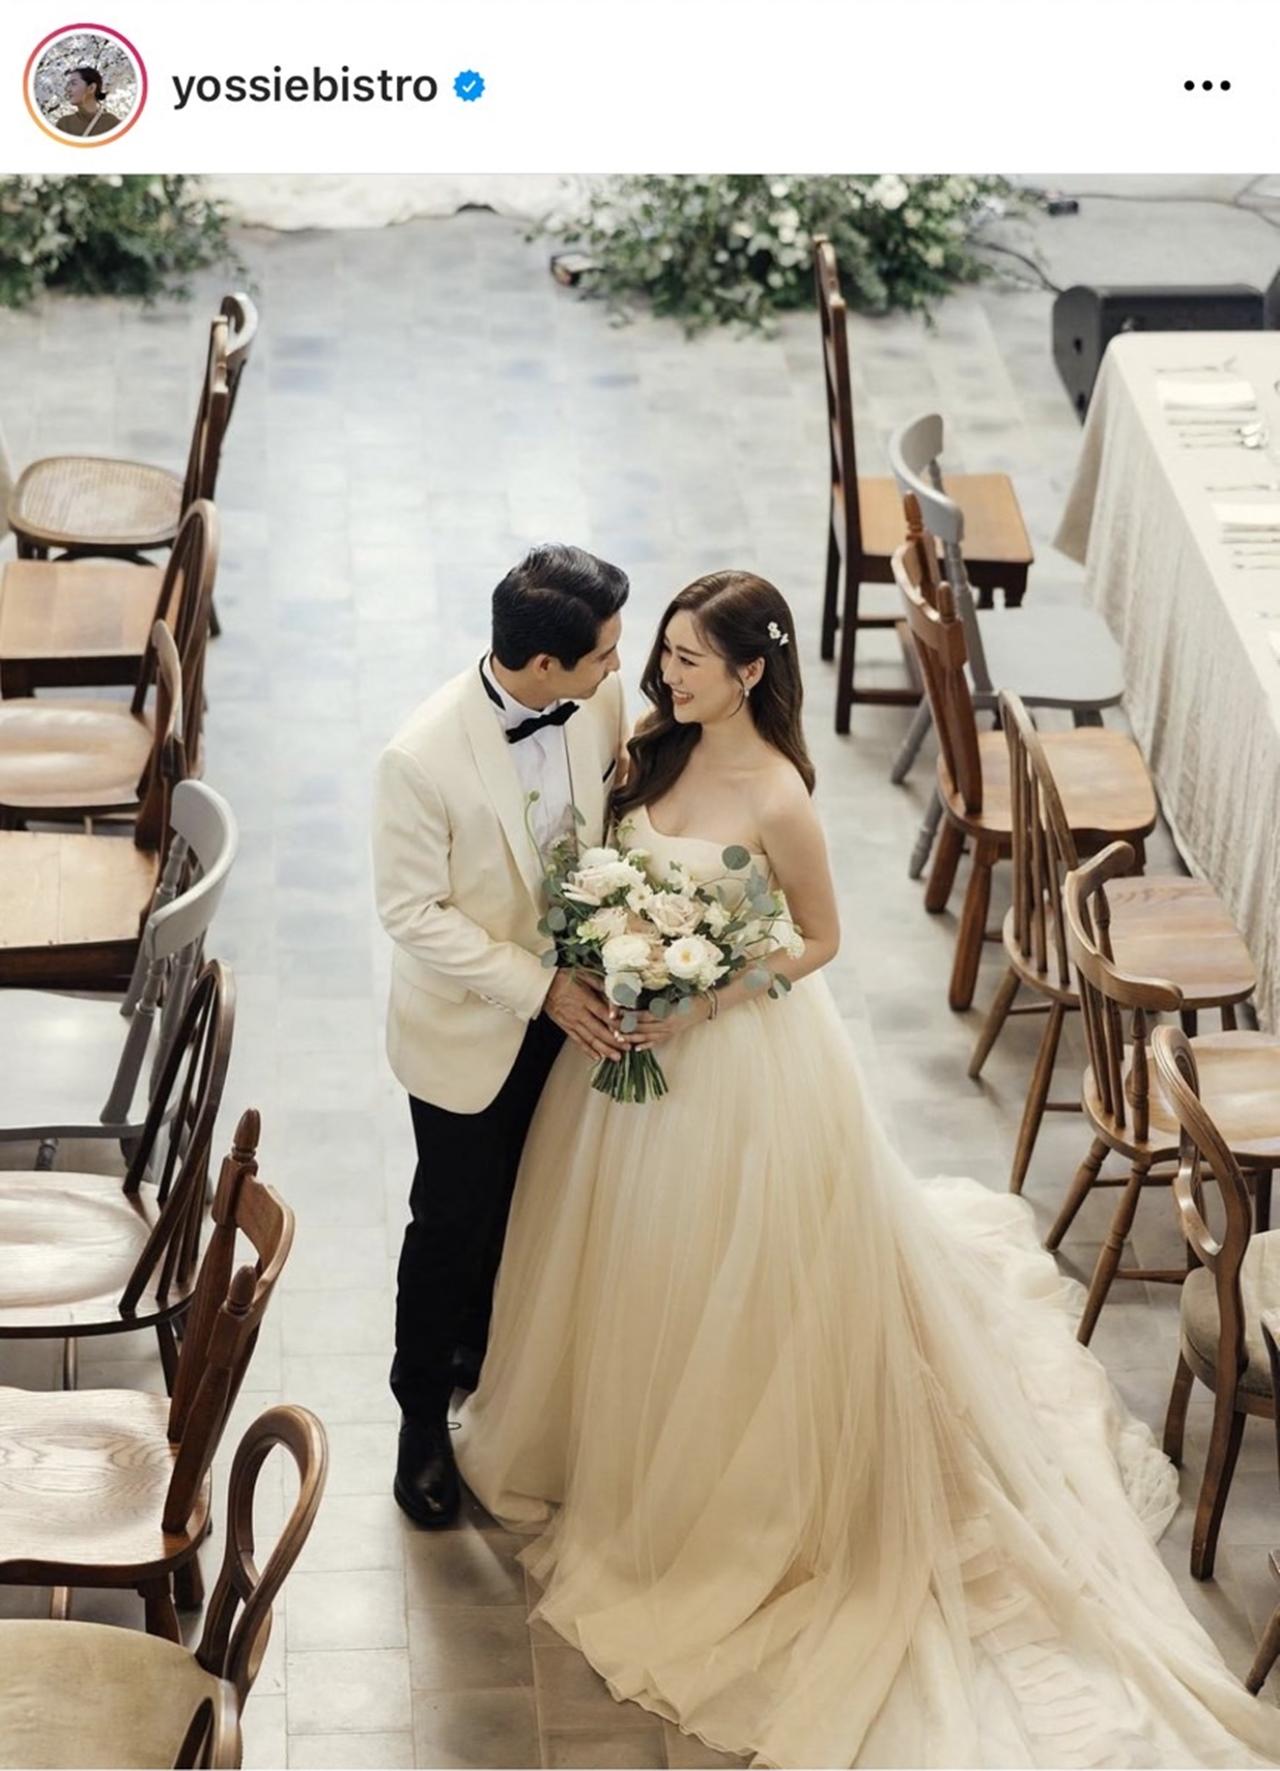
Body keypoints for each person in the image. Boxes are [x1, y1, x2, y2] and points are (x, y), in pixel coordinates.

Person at [456, 570, 1279, 1768]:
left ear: (749, 673)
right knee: (621, 1260)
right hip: (624, 1067)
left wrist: (700, 993)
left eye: (687, 659)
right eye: (664, 654)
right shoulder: (645, 745)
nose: (663, 676)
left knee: (732, 1280)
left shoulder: (779, 795)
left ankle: (712, 1491)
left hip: (731, 1063)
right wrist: (617, 957)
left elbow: (819, 939)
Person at [372, 543, 630, 1529]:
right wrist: (538, 988)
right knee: (451, 1221)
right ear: (544, 665)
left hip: (575, 1011)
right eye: (604, 652)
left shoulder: (598, 701)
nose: (620, 665)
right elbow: (411, 913)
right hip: (471, 1027)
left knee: (537, 1203)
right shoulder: (419, 758)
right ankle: (420, 1415)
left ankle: (495, 1369)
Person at [55, 67, 122, 138]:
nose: (68, 89)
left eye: (74, 84)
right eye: (68, 84)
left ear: (91, 88)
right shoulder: (64, 124)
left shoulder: (112, 124)